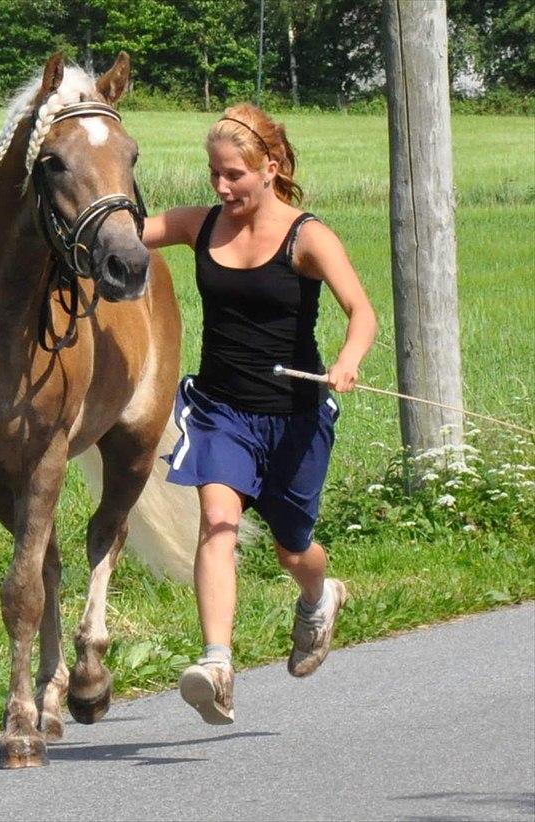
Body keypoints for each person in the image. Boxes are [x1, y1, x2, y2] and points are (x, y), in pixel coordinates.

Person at [142, 103, 377, 725]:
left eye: (234, 176)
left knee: (293, 547)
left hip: (294, 417)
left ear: (269, 168)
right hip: (220, 411)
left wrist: (348, 362)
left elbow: (362, 311)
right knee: (218, 521)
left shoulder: (308, 237)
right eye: (214, 174)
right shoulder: (201, 225)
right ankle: (217, 664)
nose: (221, 187)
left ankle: (320, 593)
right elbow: (121, 232)